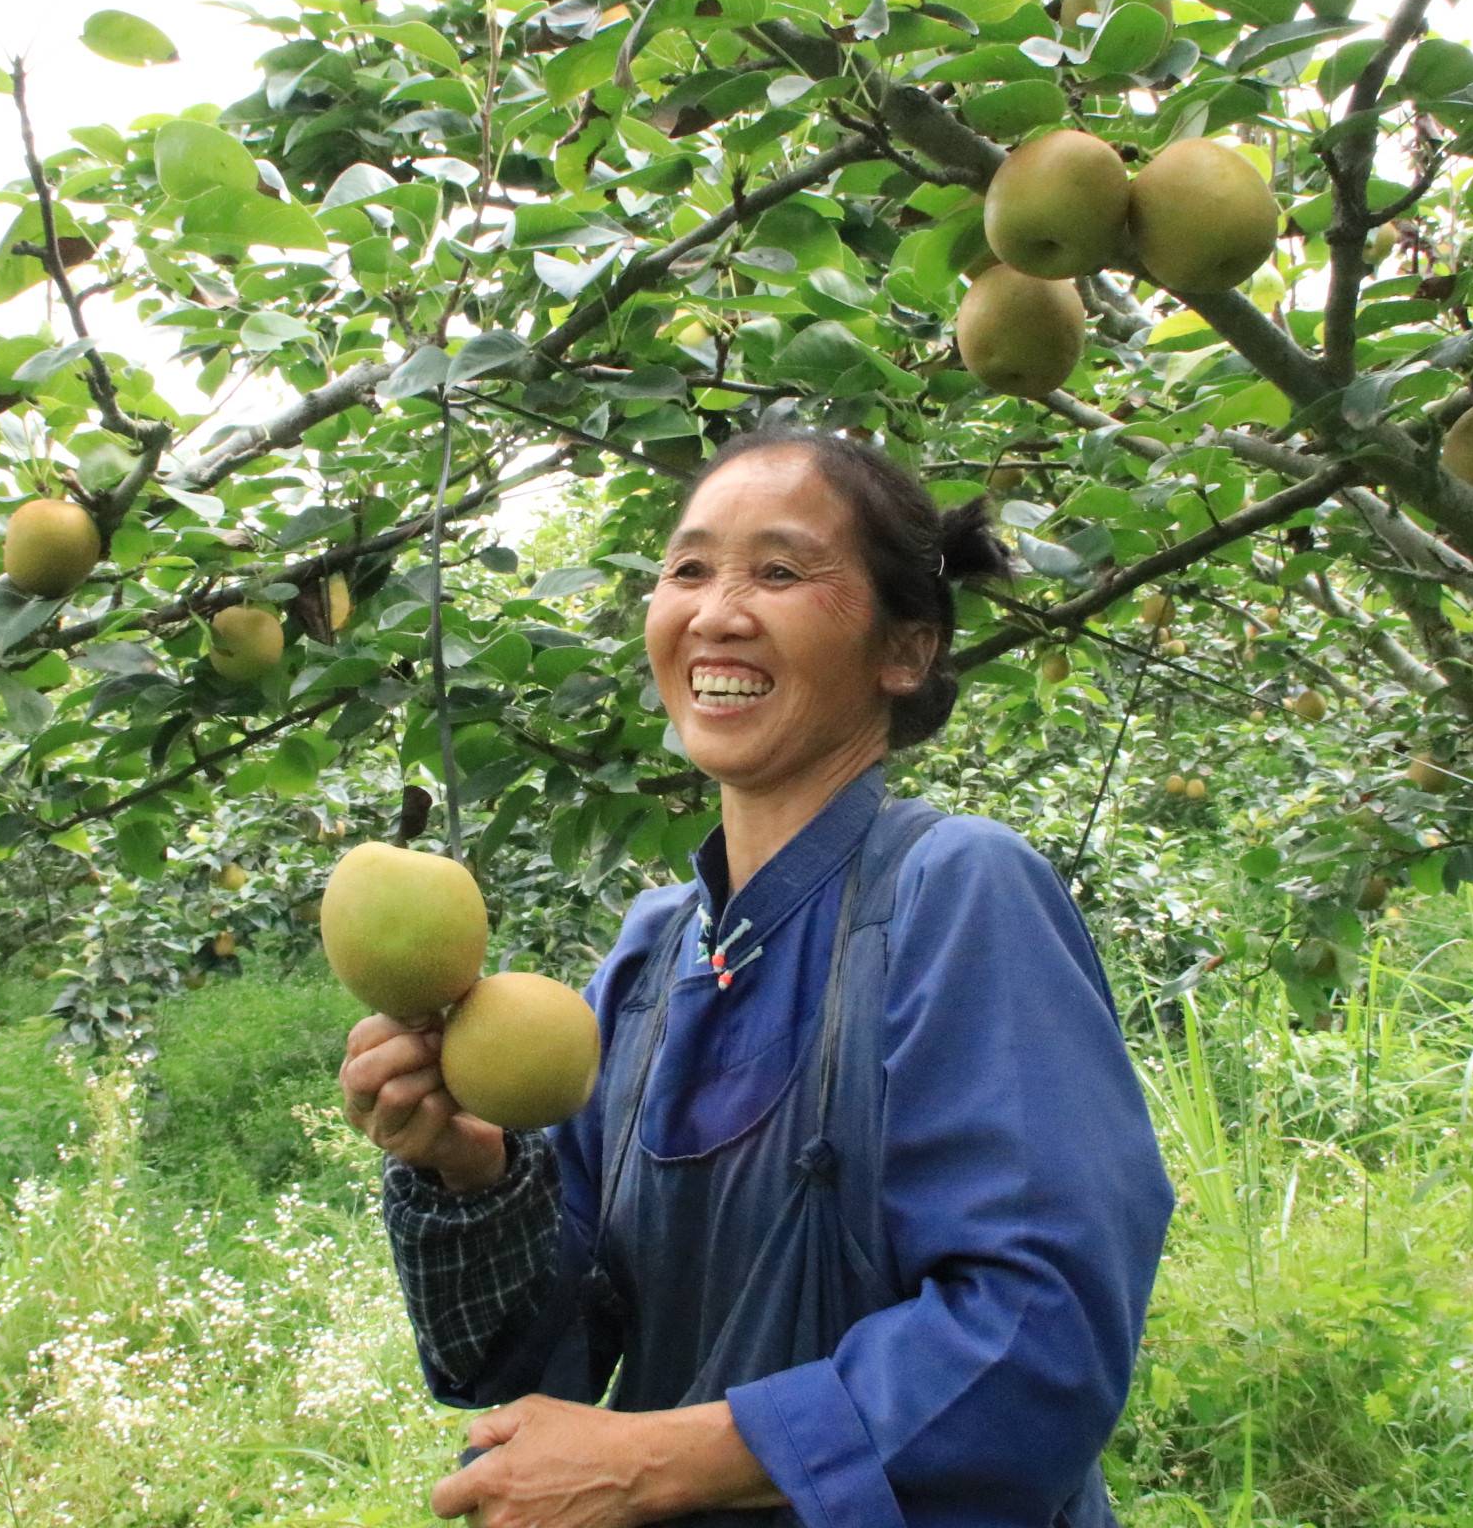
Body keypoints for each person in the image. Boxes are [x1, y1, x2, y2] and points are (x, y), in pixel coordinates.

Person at [338, 428, 1173, 1527]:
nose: (715, 612)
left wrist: (656, 1462)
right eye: (687, 570)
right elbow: (531, 1365)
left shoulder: (955, 892)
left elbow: (1038, 1342)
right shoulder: (650, 957)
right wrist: (470, 1172)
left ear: (905, 650)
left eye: (778, 572)